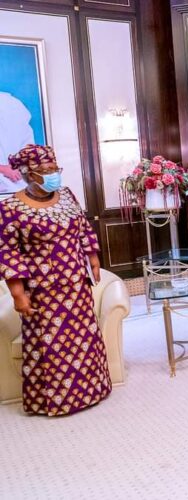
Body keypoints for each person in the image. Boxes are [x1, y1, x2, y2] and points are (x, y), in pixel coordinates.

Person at [0, 144, 112, 416]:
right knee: (53, 345)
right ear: (28, 174)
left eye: (55, 169)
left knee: (85, 338)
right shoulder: (10, 207)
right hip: (43, 290)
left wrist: (93, 258)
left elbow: (83, 227)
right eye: (46, 171)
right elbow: (8, 253)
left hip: (76, 284)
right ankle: (57, 402)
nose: (53, 175)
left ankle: (93, 390)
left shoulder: (67, 196)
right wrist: (18, 295)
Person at [0, 92, 35, 193]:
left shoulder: (12, 105)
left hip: (19, 185)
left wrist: (20, 169)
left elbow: (28, 152)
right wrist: (3, 169)